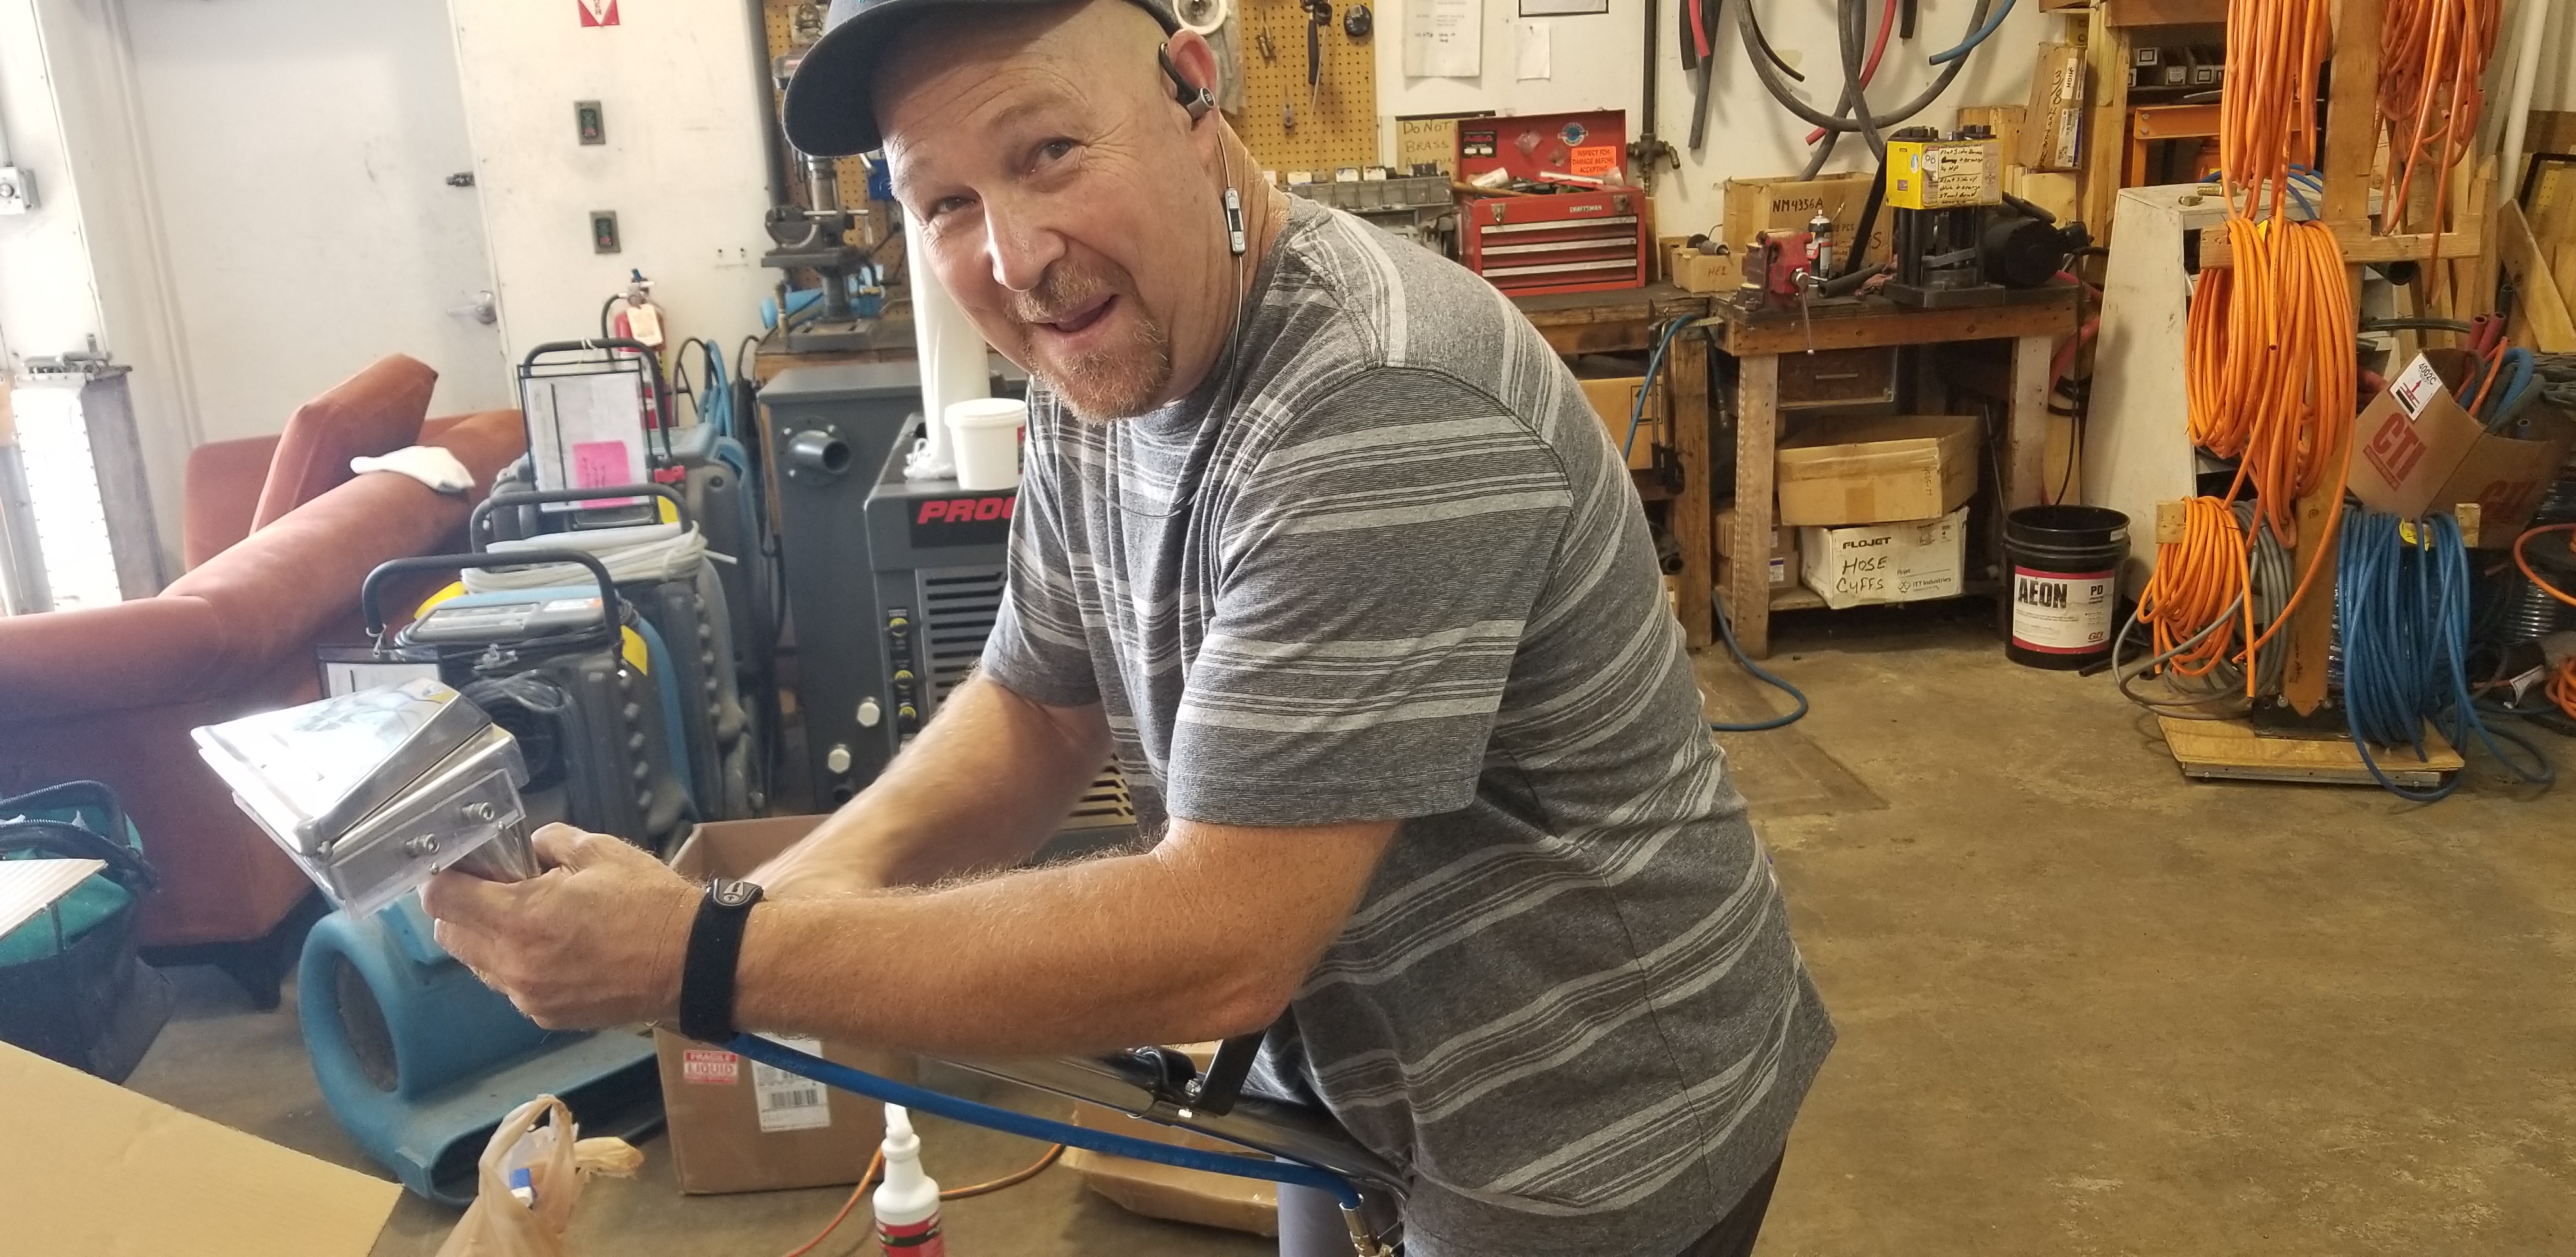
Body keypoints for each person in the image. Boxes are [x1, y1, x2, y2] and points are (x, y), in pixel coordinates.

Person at [421, 1, 1835, 1253]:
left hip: (1584, 1121)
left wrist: (703, 956)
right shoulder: (1097, 359)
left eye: (1048, 152)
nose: (1016, 257)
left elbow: (1224, 938)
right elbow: (1039, 708)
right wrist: (762, 908)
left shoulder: (1380, 397)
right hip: (1351, 1099)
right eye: (946, 201)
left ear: (1193, 94)